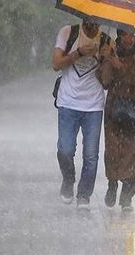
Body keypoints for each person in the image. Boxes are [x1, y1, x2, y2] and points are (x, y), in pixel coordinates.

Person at [52, 19, 112, 210]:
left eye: (97, 22)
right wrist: (78, 53)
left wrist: (106, 59)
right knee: (65, 149)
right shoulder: (68, 33)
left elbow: (108, 81)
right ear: (84, 18)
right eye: (90, 21)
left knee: (91, 154)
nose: (93, 26)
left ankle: (84, 195)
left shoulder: (106, 40)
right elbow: (56, 64)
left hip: (93, 105)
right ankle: (68, 179)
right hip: (68, 103)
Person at [97, 29, 135, 212]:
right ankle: (112, 184)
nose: (128, 38)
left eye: (132, 34)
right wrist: (105, 59)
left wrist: (119, 65)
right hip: (115, 108)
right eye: (124, 34)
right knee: (113, 150)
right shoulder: (113, 50)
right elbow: (105, 82)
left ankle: (127, 196)